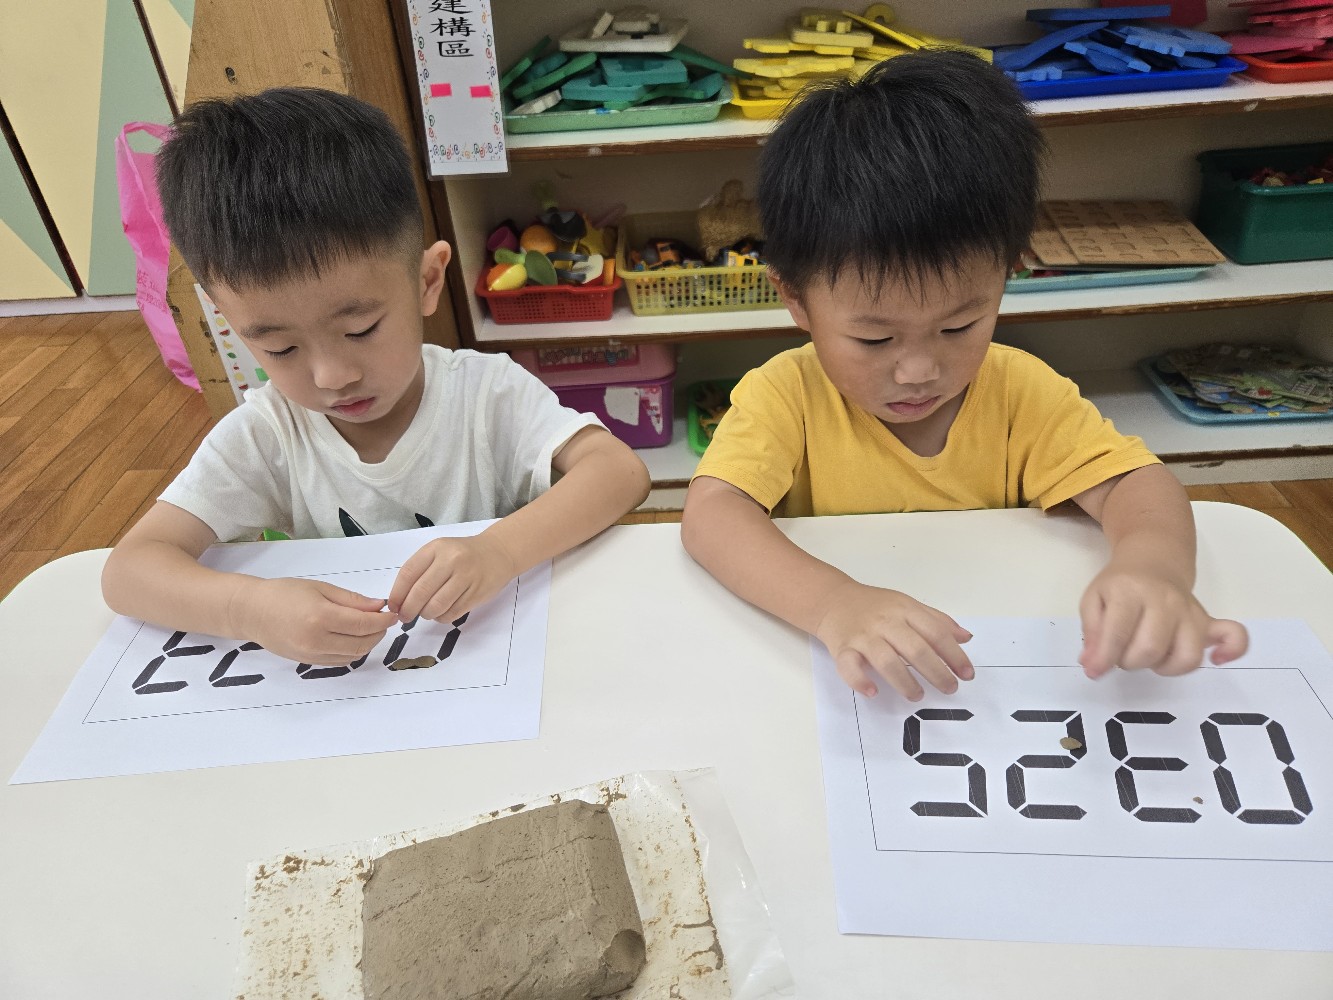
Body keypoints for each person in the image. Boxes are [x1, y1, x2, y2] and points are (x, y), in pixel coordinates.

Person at [681, 53, 1247, 701]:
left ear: (1008, 274)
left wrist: (1153, 569)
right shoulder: (785, 394)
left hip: (1000, 674)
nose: (919, 371)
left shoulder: (1020, 391)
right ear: (794, 299)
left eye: (959, 326)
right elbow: (712, 516)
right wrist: (833, 602)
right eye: (874, 339)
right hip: (835, 682)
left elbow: (1133, 485)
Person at [102, 87, 650, 665]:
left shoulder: (487, 393)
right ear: (226, 318)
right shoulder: (269, 436)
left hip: (502, 659)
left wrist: (499, 552)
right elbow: (130, 570)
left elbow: (618, 471)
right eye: (280, 347)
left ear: (427, 281)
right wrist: (249, 608)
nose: (332, 376)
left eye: (360, 329)